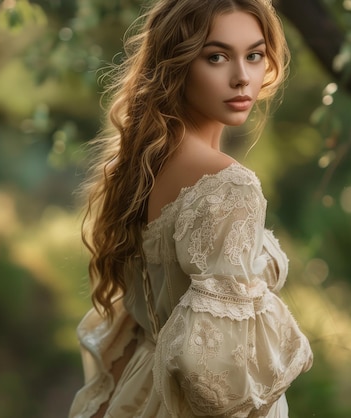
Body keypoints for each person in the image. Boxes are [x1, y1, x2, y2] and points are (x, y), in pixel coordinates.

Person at [69, 0, 313, 416]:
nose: (241, 78)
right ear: (176, 63)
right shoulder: (227, 184)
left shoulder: (141, 163)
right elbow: (221, 381)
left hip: (141, 392)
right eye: (216, 57)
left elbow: (139, 324)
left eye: (254, 55)